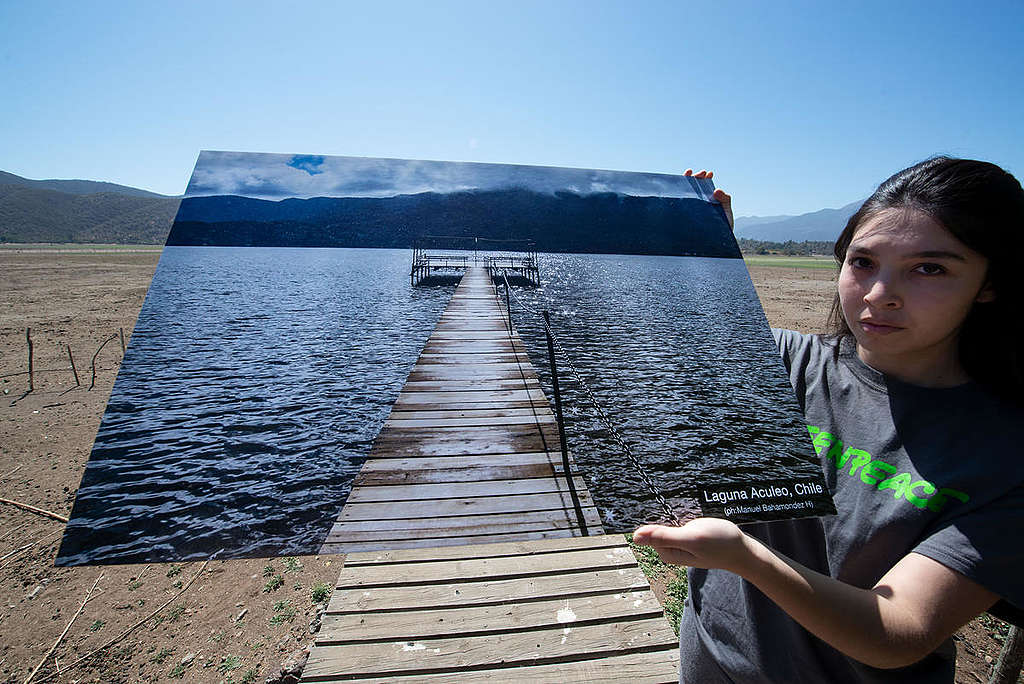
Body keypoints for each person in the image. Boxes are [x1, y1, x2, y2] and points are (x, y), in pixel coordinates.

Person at [634, 158, 1024, 682]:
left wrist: (746, 558)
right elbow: (649, 349)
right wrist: (701, 258)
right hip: (710, 666)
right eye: (862, 262)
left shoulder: (1004, 453)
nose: (879, 293)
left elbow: (897, 631)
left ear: (989, 284)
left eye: (929, 268)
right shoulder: (783, 362)